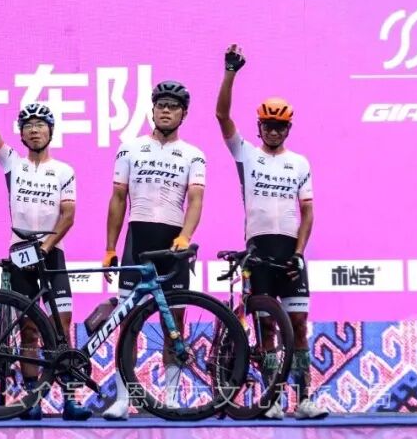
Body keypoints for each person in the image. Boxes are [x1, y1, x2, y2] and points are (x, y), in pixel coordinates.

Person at [0, 56, 91, 421]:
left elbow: (68, 216)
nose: (35, 130)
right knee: (28, 330)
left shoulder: (64, 170)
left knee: (61, 328)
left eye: (41, 125)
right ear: (21, 135)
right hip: (20, 251)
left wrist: (46, 247)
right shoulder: (13, 163)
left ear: (51, 132)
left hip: (51, 253)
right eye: (28, 126)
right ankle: (32, 399)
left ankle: (70, 400)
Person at [216, 44, 327, 420]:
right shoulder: (247, 154)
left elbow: (307, 211)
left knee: (298, 327)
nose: (274, 131)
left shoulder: (300, 163)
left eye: (280, 126)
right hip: (258, 252)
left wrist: (299, 252)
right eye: (268, 125)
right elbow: (221, 115)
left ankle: (305, 399)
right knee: (267, 329)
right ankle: (272, 399)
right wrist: (230, 72)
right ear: (259, 127)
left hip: (290, 254)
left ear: (288, 129)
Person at [102, 80, 205, 420]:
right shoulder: (130, 149)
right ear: (153, 109)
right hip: (138, 242)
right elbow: (118, 199)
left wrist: (186, 236)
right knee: (127, 324)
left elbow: (195, 199)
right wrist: (109, 247)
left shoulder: (193, 154)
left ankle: (171, 398)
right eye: (161, 105)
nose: (165, 111)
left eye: (173, 106)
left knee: (174, 323)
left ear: (183, 114)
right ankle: (123, 399)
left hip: (173, 244)